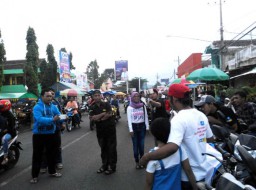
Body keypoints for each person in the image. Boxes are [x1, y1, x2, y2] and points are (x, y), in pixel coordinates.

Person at [140, 84, 214, 189]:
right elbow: (210, 139)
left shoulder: (178, 119)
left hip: (187, 177)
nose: (169, 101)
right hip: (204, 172)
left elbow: (172, 147)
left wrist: (146, 157)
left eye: (169, 98)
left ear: (174, 99)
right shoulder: (201, 115)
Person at [145, 117, 198, 190]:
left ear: (154, 134)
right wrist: (195, 187)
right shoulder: (179, 149)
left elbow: (149, 183)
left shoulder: (152, 156)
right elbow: (188, 170)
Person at [30, 88, 62, 184]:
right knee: (37, 156)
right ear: (42, 96)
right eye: (47, 96)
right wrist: (53, 120)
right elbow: (39, 119)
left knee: (51, 154)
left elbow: (59, 116)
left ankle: (52, 172)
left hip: (51, 134)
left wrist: (64, 118)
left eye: (51, 96)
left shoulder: (54, 107)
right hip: (39, 135)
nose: (50, 98)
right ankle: (34, 176)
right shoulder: (37, 107)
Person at [89, 90, 117, 175]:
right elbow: (92, 118)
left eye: (98, 95)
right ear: (93, 97)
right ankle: (104, 165)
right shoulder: (92, 107)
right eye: (95, 95)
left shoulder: (106, 104)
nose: (97, 97)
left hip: (110, 130)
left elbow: (110, 113)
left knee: (111, 149)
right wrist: (103, 115)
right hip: (100, 131)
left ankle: (112, 167)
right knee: (103, 149)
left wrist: (99, 117)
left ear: (101, 96)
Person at [40, 88, 65, 173]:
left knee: (57, 146)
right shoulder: (40, 105)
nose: (50, 96)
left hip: (56, 128)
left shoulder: (56, 104)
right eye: (49, 95)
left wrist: (63, 122)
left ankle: (58, 162)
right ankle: (44, 165)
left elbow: (60, 114)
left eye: (52, 94)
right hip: (44, 130)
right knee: (44, 148)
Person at [127, 92, 149, 169]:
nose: (136, 97)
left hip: (142, 126)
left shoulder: (143, 106)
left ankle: (142, 161)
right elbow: (129, 120)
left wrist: (147, 127)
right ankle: (137, 161)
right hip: (134, 127)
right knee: (135, 147)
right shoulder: (129, 107)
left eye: (138, 96)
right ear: (132, 98)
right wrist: (131, 130)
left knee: (142, 146)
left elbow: (146, 117)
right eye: (135, 96)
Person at [0, 100, 17, 165]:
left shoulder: (10, 116)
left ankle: (5, 157)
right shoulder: (1, 113)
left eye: (1, 106)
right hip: (1, 131)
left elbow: (11, 127)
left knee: (4, 139)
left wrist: (4, 130)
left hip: (10, 133)